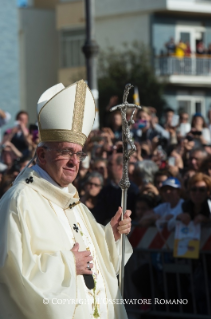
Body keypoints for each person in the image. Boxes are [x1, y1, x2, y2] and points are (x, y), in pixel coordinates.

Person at [0, 80, 133, 319]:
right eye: (65, 152)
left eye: (78, 153)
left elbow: (100, 262)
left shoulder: (74, 203)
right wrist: (66, 264)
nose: (74, 162)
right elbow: (12, 273)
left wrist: (111, 235)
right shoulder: (20, 200)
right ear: (41, 154)